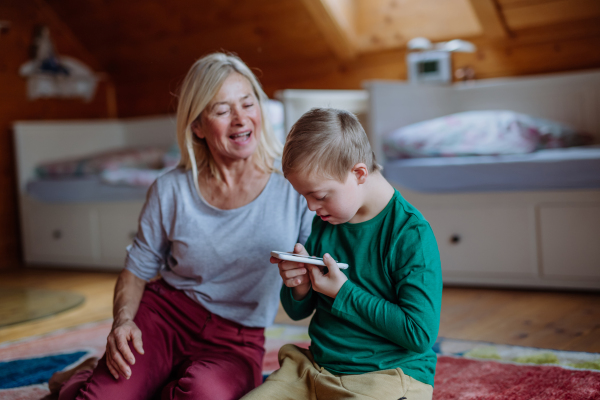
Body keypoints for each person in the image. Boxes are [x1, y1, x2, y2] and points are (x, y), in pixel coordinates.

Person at [48, 53, 314, 400]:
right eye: (221, 110)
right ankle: (91, 378)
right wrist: (124, 322)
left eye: (248, 103)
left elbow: (315, 271)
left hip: (236, 339)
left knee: (201, 395)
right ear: (198, 126)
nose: (240, 119)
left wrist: (303, 282)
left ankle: (97, 377)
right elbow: (135, 271)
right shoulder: (170, 189)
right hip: (164, 319)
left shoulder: (293, 184)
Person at [241, 108, 443, 400]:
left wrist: (344, 292)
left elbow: (419, 334)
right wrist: (299, 286)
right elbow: (300, 311)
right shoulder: (326, 221)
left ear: (359, 173)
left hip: (387, 375)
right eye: (304, 196)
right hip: (314, 369)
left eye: (320, 196)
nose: (311, 207)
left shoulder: (411, 234)